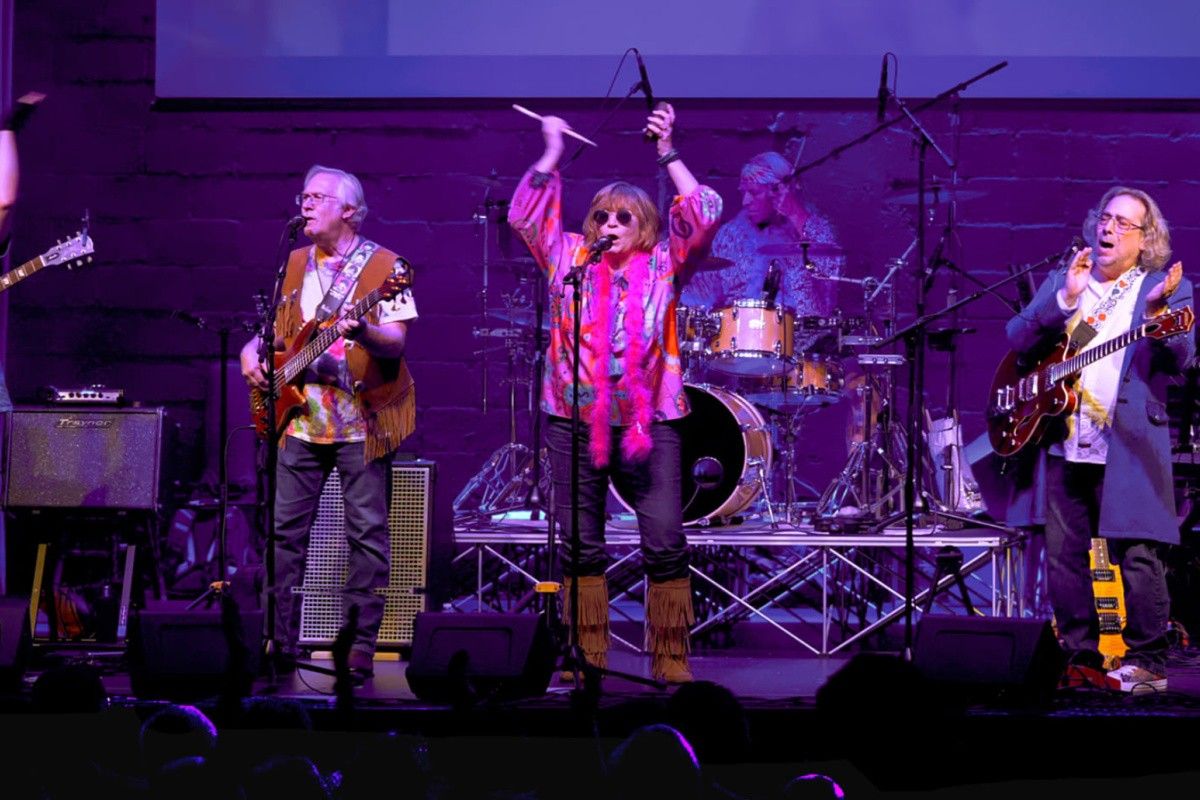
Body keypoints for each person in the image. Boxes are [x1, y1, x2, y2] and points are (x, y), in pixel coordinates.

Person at [508, 103, 722, 683]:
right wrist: (552, 152)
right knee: (580, 545)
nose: (609, 223)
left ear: (645, 226)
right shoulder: (567, 259)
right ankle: (586, 657)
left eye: (623, 217)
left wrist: (668, 150)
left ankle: (670, 657)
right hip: (571, 418)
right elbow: (524, 214)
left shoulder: (664, 266)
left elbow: (705, 211)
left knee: (665, 539)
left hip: (649, 421)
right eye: (601, 215)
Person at [1005, 186, 1192, 693]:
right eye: (1105, 218)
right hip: (1066, 437)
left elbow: (1182, 358)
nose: (1108, 228)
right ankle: (1079, 654)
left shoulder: (1163, 287)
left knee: (1137, 552)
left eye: (1123, 223)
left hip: (1129, 442)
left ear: (1145, 239)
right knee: (1066, 556)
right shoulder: (1068, 279)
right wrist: (1064, 298)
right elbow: (1017, 337)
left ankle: (1148, 662)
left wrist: (1156, 317)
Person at [240, 165, 416, 681]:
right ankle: (278, 641)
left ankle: (358, 646)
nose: (307, 204)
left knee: (367, 537)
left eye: (319, 197)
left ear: (350, 211)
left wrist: (363, 332)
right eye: (305, 196)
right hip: (299, 418)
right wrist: (251, 350)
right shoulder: (294, 261)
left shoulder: (387, 266)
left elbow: (395, 343)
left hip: (361, 420)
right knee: (283, 536)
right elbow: (278, 333)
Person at [680, 150, 842, 351]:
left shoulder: (818, 229)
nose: (745, 201)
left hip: (806, 349)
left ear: (778, 191)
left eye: (754, 193)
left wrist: (794, 212)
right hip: (740, 347)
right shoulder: (730, 235)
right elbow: (706, 293)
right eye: (743, 193)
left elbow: (829, 274)